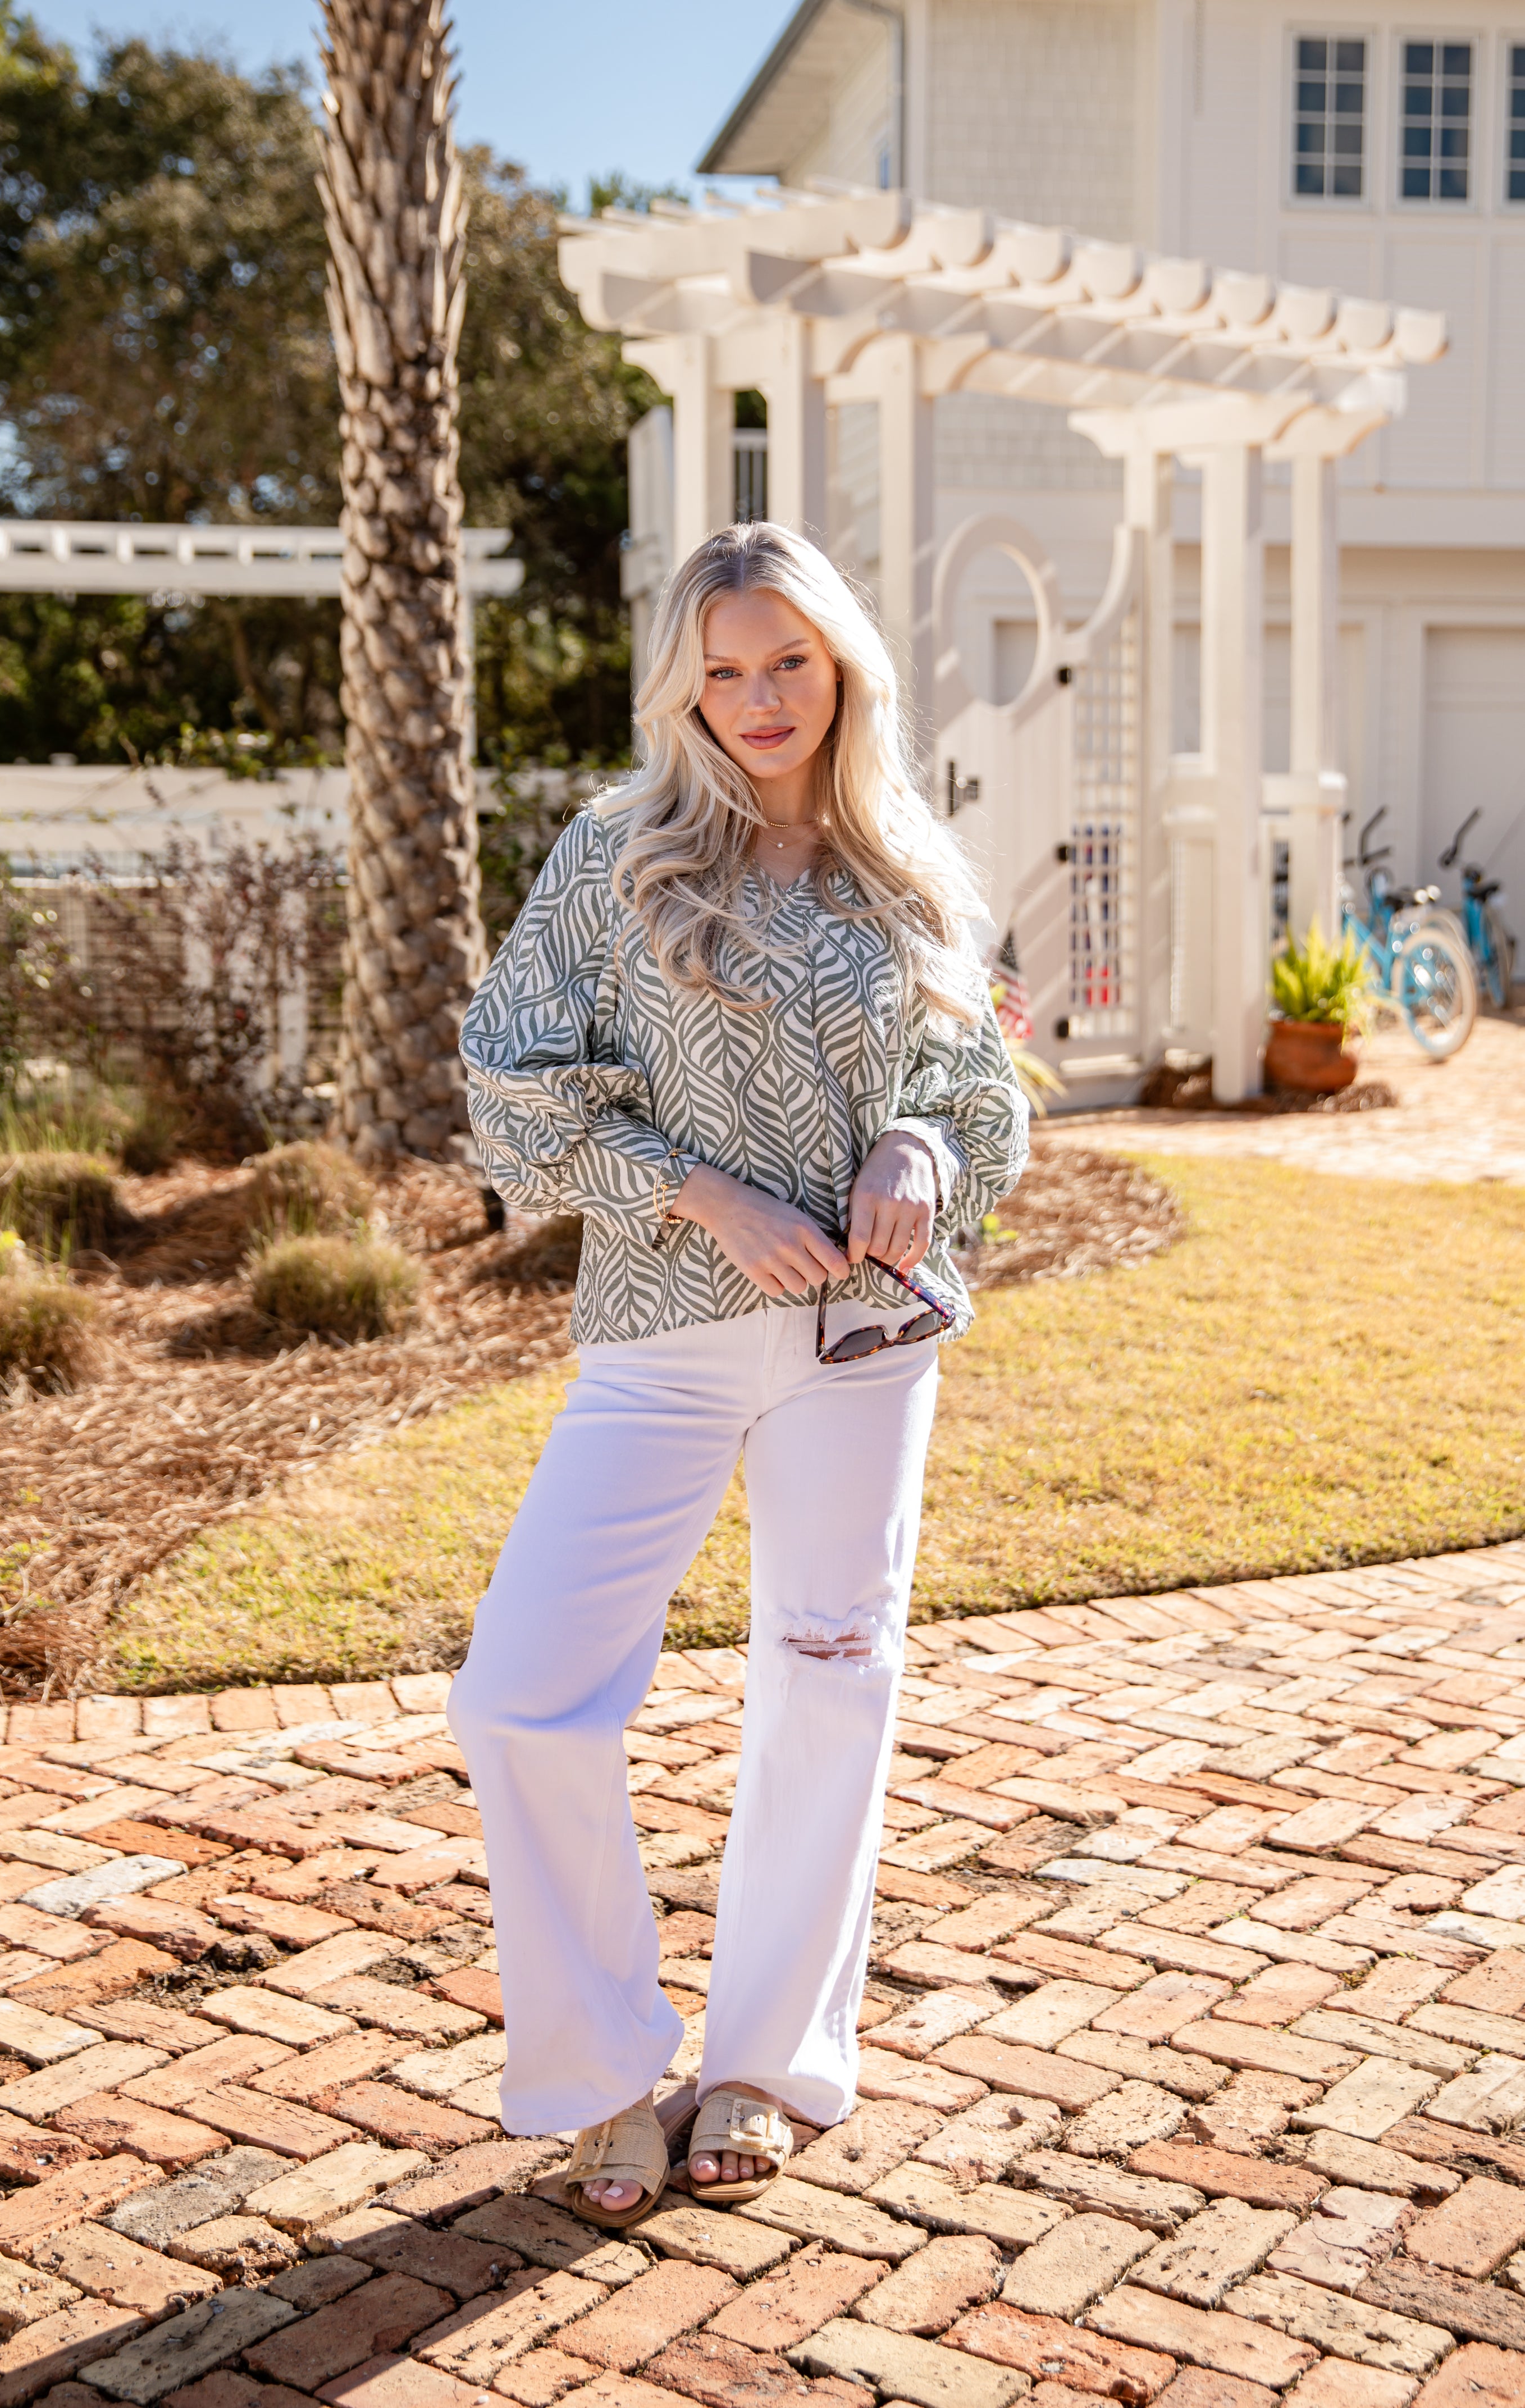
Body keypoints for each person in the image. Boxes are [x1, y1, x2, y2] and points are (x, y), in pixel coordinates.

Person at [448, 520, 1029, 2229]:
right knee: (519, 1694)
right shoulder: (612, 856)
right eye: (722, 668)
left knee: (829, 1685)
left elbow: (981, 1096)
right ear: (680, 684)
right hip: (660, 1341)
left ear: (839, 663)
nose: (758, 699)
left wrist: (922, 1151)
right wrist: (694, 1189)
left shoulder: (910, 867)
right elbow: (507, 1091)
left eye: (787, 660)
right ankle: (602, 2077)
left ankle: (766, 2063)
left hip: (866, 1349)